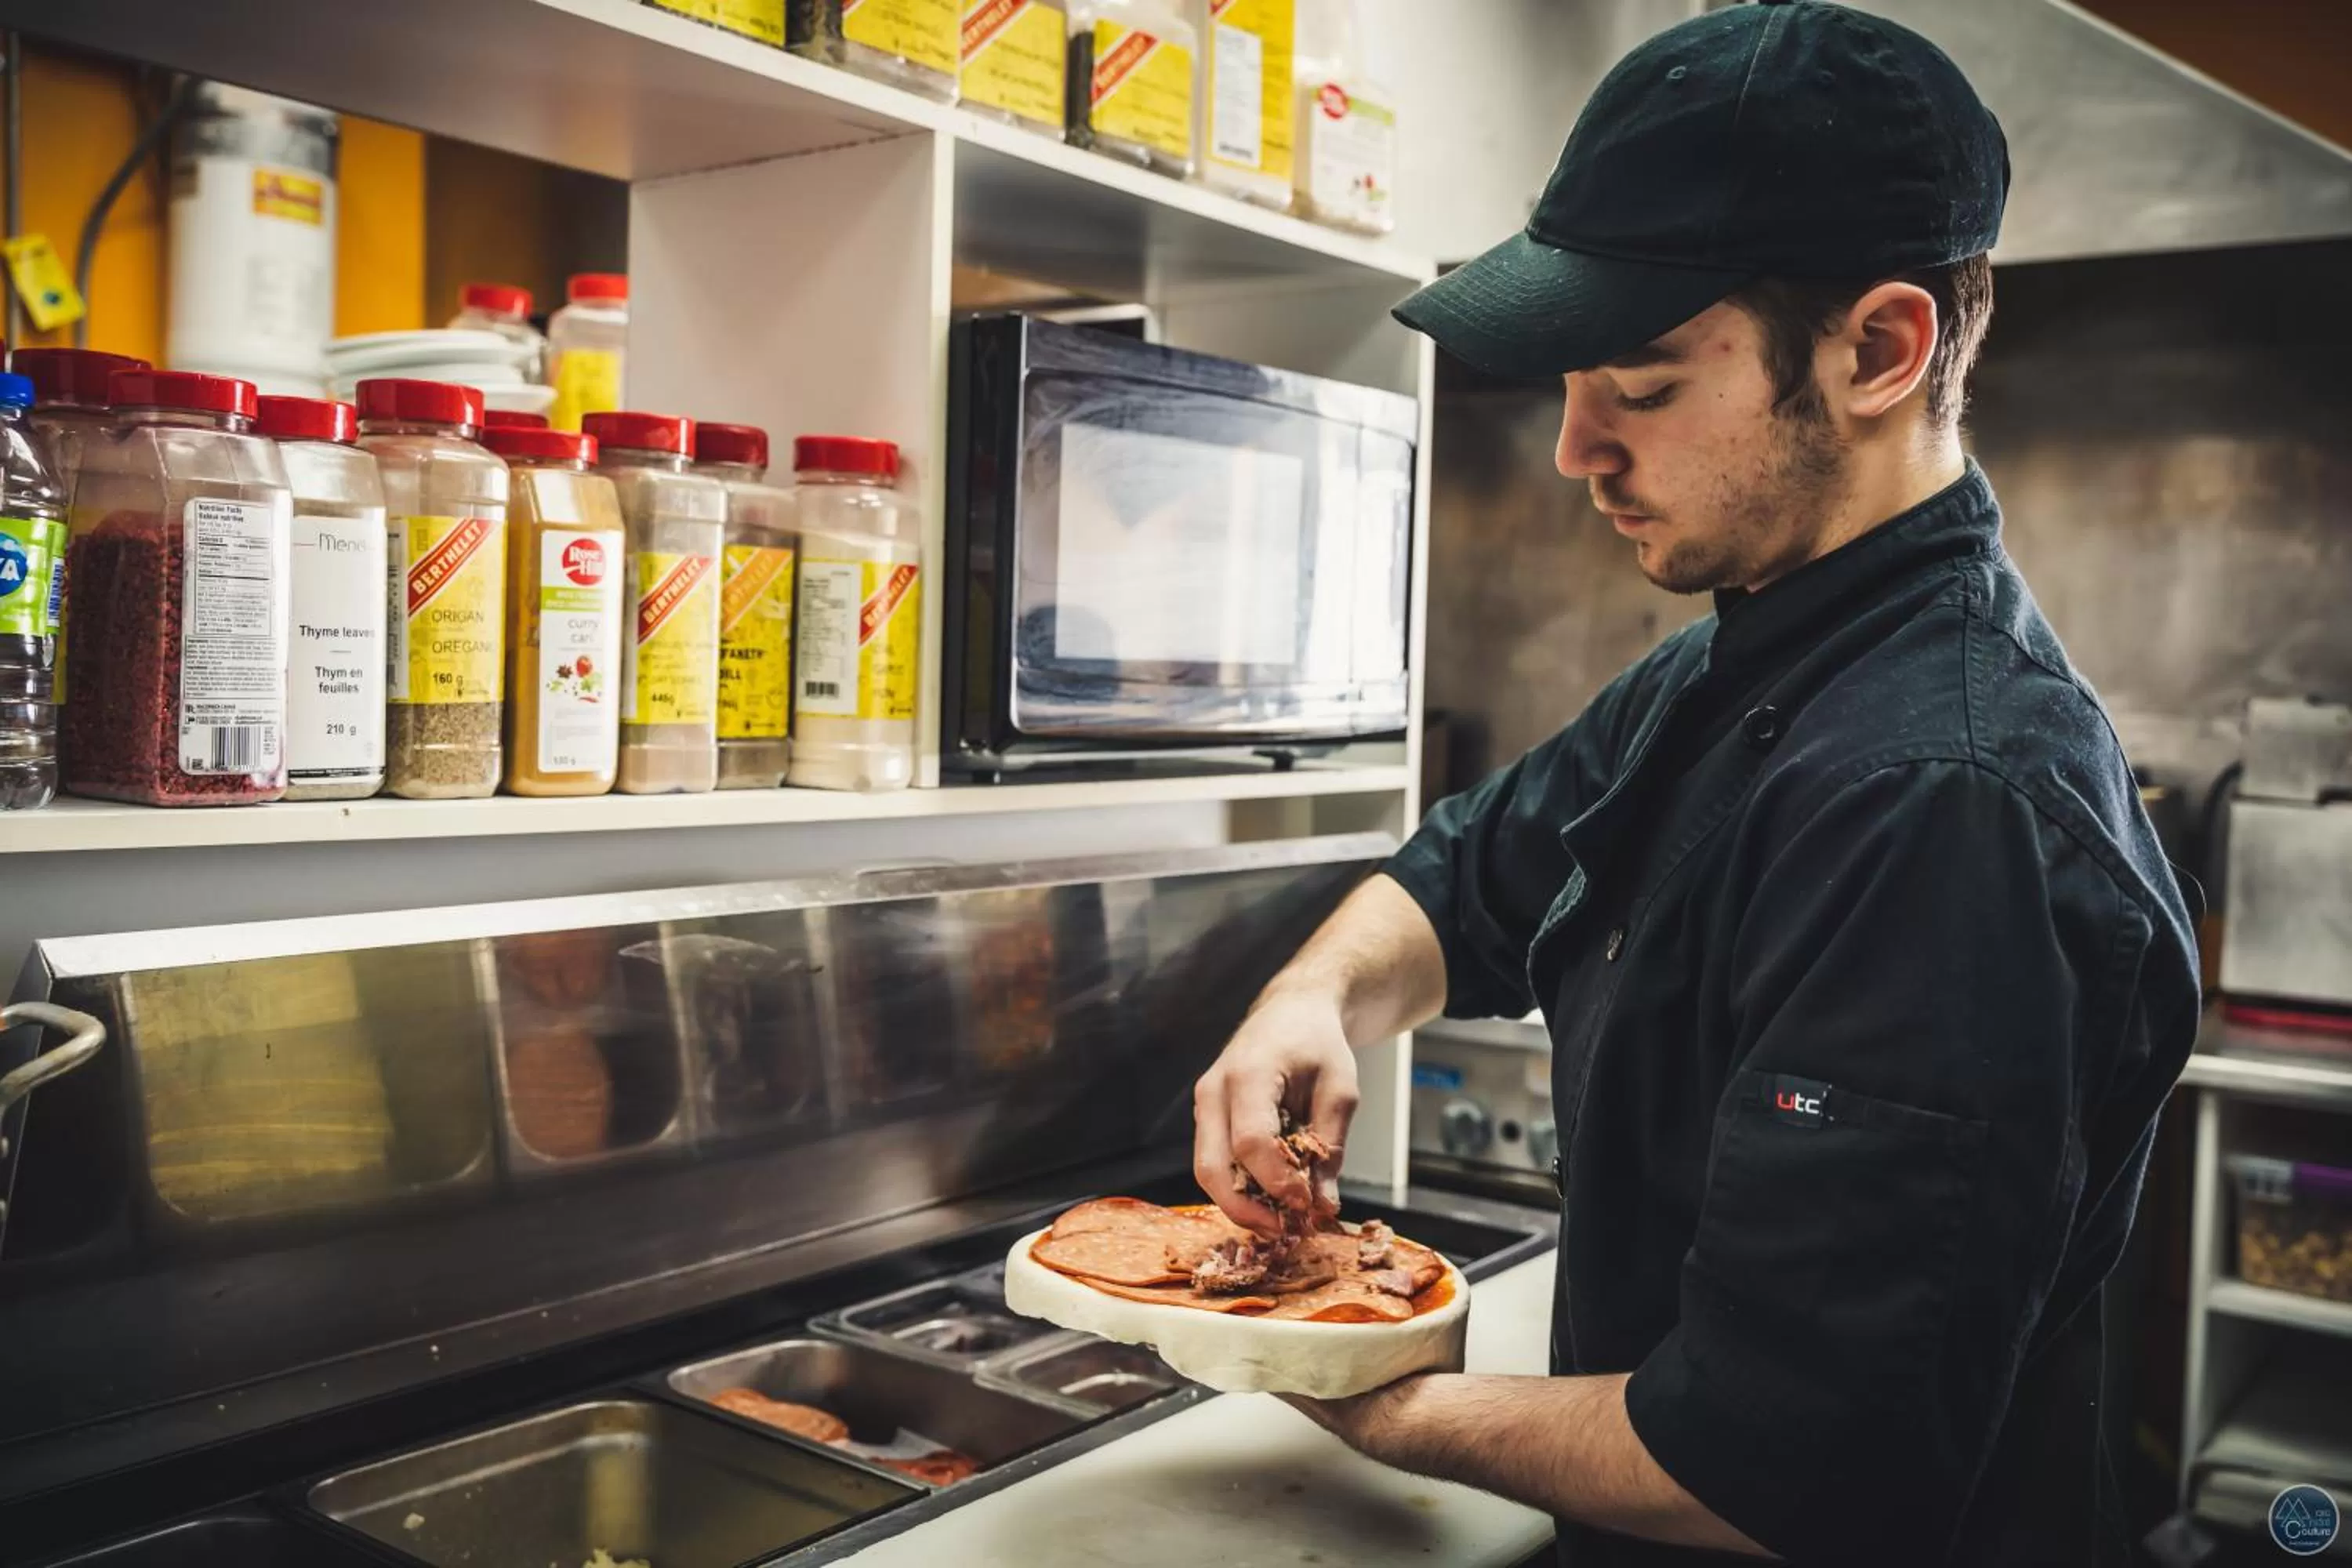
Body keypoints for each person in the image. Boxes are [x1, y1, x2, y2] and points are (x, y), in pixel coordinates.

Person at [1189, 3, 2201, 1564]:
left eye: (1644, 386)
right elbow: (1472, 875)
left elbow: (1777, 1468)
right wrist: (1309, 1001)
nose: (1573, 447)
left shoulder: (1948, 802)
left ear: (1879, 349)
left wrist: (1375, 1385)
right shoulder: (1743, 658)